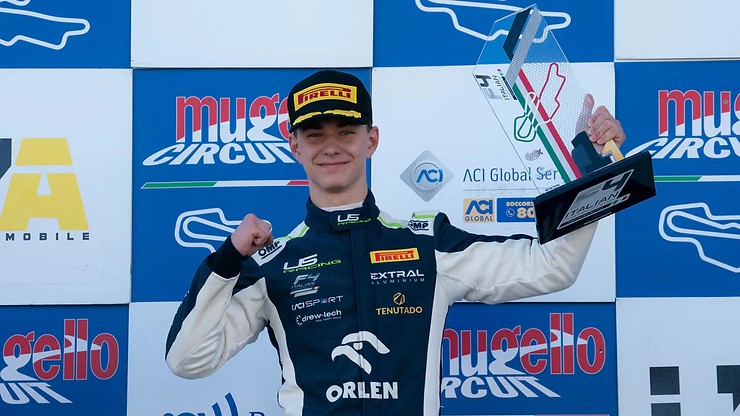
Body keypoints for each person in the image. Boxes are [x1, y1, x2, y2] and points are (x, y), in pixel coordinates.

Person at [165, 70, 626, 415]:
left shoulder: (429, 244)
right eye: (315, 134)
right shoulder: (271, 264)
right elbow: (188, 361)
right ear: (294, 146)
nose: (331, 146)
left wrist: (589, 171)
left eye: (346, 132)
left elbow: (552, 267)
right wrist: (227, 259)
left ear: (371, 140)